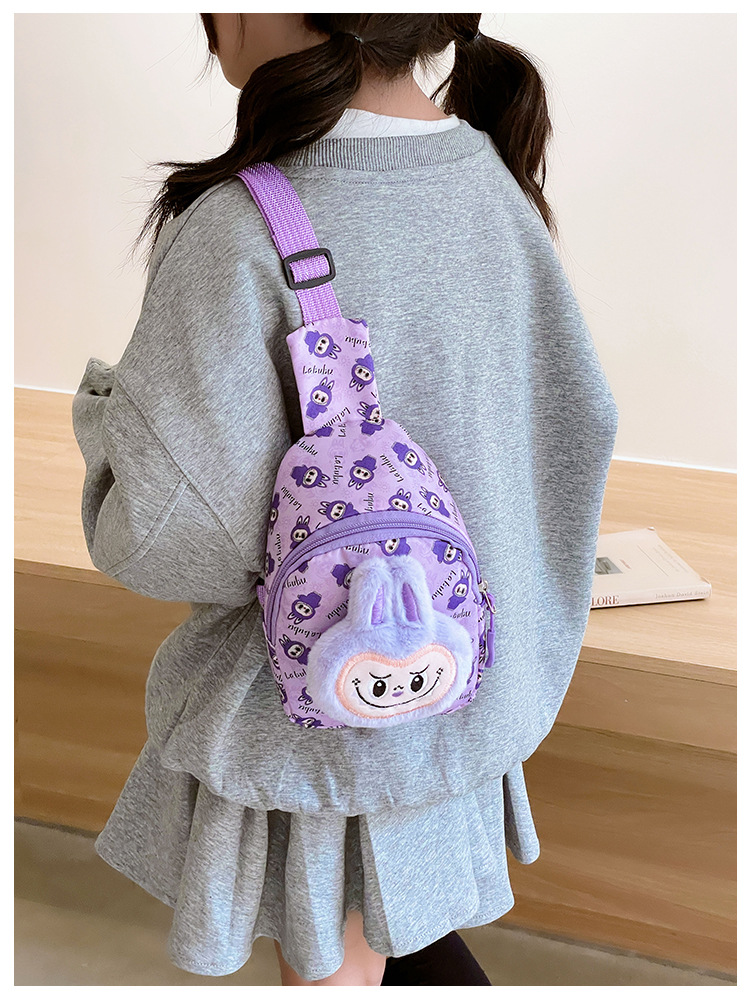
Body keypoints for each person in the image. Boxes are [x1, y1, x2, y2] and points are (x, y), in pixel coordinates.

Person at [71, 13, 618, 988]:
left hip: (310, 728)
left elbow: (164, 535)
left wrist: (106, 419)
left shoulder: (241, 223)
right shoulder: (493, 181)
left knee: (335, 973)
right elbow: (575, 434)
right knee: (384, 952)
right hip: (459, 695)